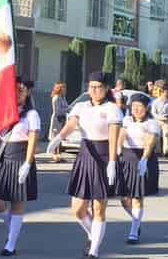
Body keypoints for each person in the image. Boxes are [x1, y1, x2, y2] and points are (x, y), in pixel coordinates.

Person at [47, 72, 123, 259]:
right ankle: (92, 234)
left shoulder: (112, 108)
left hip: (105, 155)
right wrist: (58, 138)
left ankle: (94, 250)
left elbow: (113, 136)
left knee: (98, 208)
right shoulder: (81, 106)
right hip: (85, 155)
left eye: (98, 87)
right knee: (78, 208)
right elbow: (71, 125)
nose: (94, 90)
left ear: (106, 88)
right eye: (91, 86)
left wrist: (112, 161)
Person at [0, 79, 40, 256]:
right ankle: (12, 228)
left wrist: (28, 163)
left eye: (21, 90)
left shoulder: (31, 114)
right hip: (5, 157)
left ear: (27, 93)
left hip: (21, 158)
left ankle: (10, 244)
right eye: (15, 90)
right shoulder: (5, 112)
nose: (18, 93)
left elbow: (33, 139)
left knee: (17, 203)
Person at [117, 93, 160, 244]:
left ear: (146, 108)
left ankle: (133, 232)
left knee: (137, 197)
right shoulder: (127, 119)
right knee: (124, 199)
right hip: (127, 159)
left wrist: (144, 159)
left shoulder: (151, 123)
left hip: (143, 160)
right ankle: (137, 221)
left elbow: (150, 142)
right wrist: (117, 149)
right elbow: (122, 134)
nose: (136, 110)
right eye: (134, 107)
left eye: (139, 107)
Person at [151, 84, 168, 157]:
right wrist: (159, 117)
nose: (166, 94)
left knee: (166, 135)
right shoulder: (156, 102)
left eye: (167, 92)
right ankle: (157, 151)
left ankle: (166, 151)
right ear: (161, 92)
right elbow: (153, 112)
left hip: (166, 121)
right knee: (157, 137)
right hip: (158, 121)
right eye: (165, 92)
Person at [48, 81, 68, 163]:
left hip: (62, 119)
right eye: (63, 87)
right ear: (59, 88)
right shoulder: (56, 98)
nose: (65, 89)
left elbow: (65, 106)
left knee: (60, 138)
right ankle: (55, 155)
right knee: (56, 137)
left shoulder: (62, 97)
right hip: (57, 120)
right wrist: (68, 109)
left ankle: (58, 155)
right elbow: (57, 111)